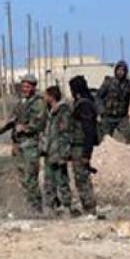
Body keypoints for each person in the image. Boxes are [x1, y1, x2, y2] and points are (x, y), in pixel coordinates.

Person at [11, 74, 48, 213]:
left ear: (33, 87)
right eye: (23, 86)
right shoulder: (21, 102)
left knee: (31, 177)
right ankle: (28, 205)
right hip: (20, 143)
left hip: (31, 144)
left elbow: (39, 123)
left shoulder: (38, 102)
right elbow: (14, 122)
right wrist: (14, 143)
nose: (24, 89)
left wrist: (25, 128)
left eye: (27, 87)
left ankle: (36, 208)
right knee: (22, 177)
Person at [68, 76, 98, 216]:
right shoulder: (80, 103)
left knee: (82, 179)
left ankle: (90, 209)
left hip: (81, 147)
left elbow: (89, 131)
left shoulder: (84, 105)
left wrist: (86, 154)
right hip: (77, 146)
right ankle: (88, 208)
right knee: (80, 178)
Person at [41, 86, 74, 216]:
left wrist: (64, 153)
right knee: (49, 181)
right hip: (50, 152)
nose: (44, 98)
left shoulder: (63, 111)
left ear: (52, 97)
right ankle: (50, 206)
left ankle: (66, 206)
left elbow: (66, 134)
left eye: (46, 95)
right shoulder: (50, 111)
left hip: (59, 152)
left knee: (62, 180)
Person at [96, 60, 130, 144]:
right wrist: (101, 111)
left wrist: (126, 115)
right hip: (107, 117)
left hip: (121, 118)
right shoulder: (108, 83)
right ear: (115, 70)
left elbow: (127, 101)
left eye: (123, 70)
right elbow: (98, 97)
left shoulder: (128, 86)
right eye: (119, 70)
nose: (120, 72)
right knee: (103, 141)